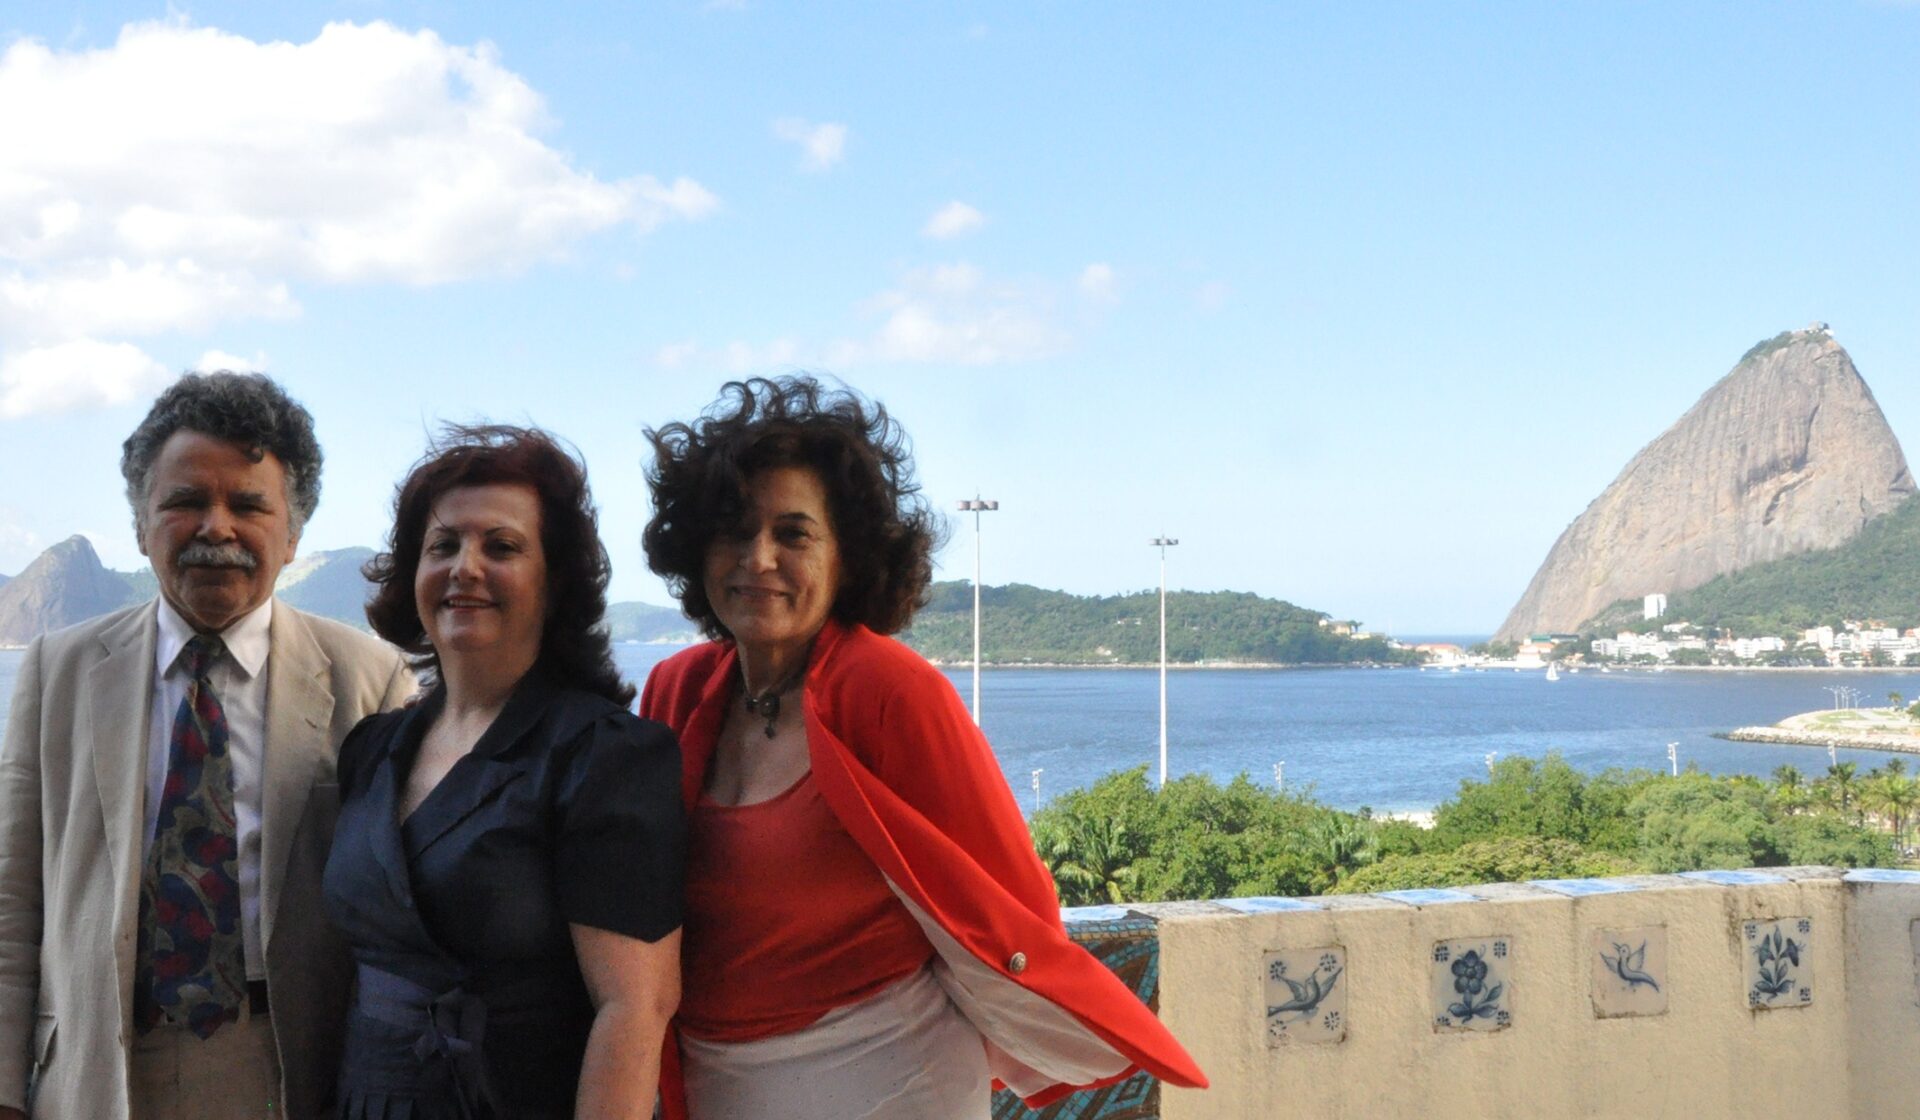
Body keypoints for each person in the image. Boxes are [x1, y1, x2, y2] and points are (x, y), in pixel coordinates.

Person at [639, 376, 1207, 1119]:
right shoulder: (675, 693)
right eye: (734, 529)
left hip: (887, 1075)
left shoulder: (891, 692)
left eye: (793, 533)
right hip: (715, 1080)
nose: (759, 558)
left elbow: (1011, 896)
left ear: (847, 556)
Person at [0, 372, 415, 1120]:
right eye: (186, 501)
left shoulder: (371, 680)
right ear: (141, 526)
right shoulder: (57, 671)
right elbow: (13, 899)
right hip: (98, 1070)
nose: (216, 527)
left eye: (249, 505)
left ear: (292, 536)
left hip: (286, 1068)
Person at [323, 425, 683, 1119]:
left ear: (553, 585)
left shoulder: (604, 756)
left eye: (503, 546)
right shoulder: (371, 749)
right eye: (443, 545)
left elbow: (636, 1006)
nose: (466, 567)